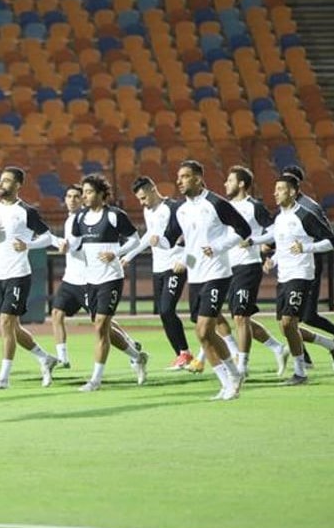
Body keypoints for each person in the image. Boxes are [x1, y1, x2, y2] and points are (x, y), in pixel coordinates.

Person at [156, 160, 252, 400]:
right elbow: (171, 240)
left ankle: (233, 377)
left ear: (198, 179)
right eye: (178, 176)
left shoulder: (216, 203)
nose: (179, 181)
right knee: (203, 335)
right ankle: (229, 380)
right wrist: (158, 241)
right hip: (196, 276)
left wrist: (219, 246)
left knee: (203, 329)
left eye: (185, 176)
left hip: (217, 274)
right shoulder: (181, 209)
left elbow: (244, 230)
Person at [51, 183, 149, 379]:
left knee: (101, 324)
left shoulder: (113, 215)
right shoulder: (79, 218)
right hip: (86, 279)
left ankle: (95, 379)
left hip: (108, 277)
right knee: (98, 324)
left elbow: (135, 240)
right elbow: (75, 244)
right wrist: (64, 245)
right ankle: (136, 356)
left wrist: (115, 252)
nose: (81, 197)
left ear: (100, 194)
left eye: (86, 193)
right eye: (80, 194)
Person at [0, 166, 58, 390]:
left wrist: (28, 245)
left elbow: (47, 237)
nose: (0, 184)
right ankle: (45, 358)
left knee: (5, 322)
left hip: (18, 274)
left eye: (6, 180)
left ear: (17, 185)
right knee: (13, 327)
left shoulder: (26, 211)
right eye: (0, 180)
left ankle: (3, 378)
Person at [268, 173, 334, 385]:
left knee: (289, 322)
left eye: (280, 189)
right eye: (275, 189)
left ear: (292, 192)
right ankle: (331, 344)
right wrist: (272, 260)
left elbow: (332, 241)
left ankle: (300, 372)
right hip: (284, 276)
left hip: (301, 274)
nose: (275, 193)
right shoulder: (279, 218)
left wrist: (306, 248)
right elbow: (283, 247)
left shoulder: (304, 215)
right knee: (285, 327)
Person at [281, 165, 334, 361]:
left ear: (296, 186)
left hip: (308, 265)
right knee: (291, 318)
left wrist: (307, 248)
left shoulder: (310, 208)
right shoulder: (284, 209)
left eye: (289, 181)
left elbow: (327, 236)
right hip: (288, 268)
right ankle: (319, 350)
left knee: (301, 317)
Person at [221, 166, 289, 377]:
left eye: (230, 180)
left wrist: (256, 241)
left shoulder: (254, 206)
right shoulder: (224, 207)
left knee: (240, 317)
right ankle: (277, 348)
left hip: (248, 266)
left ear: (241, 184)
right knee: (239, 318)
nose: (225, 184)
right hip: (227, 268)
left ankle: (242, 366)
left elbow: (274, 231)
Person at [122, 176, 192, 370]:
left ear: (153, 189)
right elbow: (149, 236)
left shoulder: (174, 208)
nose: (142, 203)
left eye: (144, 198)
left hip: (174, 266)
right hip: (158, 267)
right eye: (139, 199)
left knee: (167, 309)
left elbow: (191, 235)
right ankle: (181, 355)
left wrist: (184, 260)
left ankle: (185, 353)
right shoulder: (148, 211)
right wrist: (129, 255)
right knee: (163, 313)